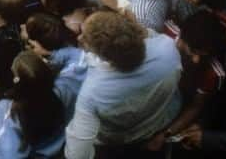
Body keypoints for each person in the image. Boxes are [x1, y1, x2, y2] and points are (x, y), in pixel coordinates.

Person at [64, 11, 181, 158]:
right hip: (158, 123)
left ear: (102, 54)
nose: (79, 38)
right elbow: (149, 36)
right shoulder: (168, 49)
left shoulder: (92, 92)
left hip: (118, 144)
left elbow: (77, 154)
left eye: (85, 37)